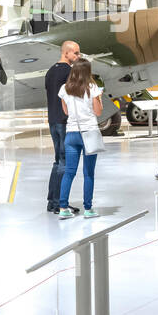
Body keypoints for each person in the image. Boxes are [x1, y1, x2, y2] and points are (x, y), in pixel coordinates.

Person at [57, 58, 102, 219]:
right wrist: (98, 98)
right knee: (88, 173)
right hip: (89, 132)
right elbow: (98, 112)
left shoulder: (64, 89)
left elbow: (66, 112)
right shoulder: (92, 88)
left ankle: (63, 208)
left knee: (69, 172)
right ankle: (88, 209)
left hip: (71, 134)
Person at [44, 40, 81, 213]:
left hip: (53, 120)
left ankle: (52, 201)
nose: (78, 56)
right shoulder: (69, 72)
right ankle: (60, 202)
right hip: (64, 122)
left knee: (58, 161)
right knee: (65, 163)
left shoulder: (50, 71)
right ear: (66, 53)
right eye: (76, 53)